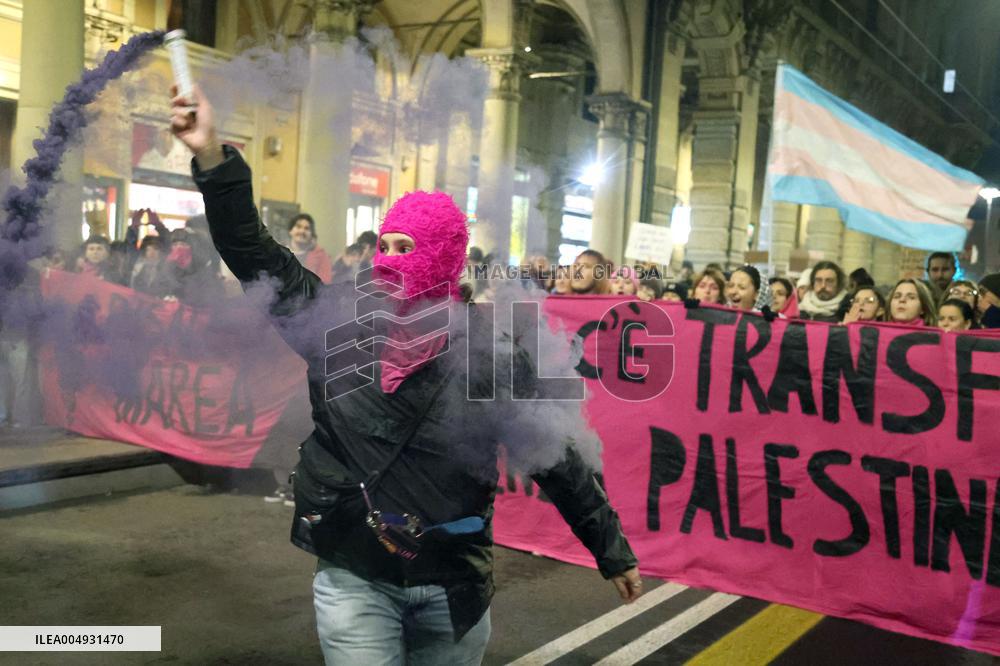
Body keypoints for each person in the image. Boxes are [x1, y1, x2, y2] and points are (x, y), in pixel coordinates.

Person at [171, 84, 640, 664]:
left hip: (454, 584)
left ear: (443, 257)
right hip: (355, 573)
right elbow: (253, 252)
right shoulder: (333, 322)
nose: (390, 259)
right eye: (385, 244)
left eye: (407, 246)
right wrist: (213, 155)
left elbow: (555, 458)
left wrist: (611, 550)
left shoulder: (489, 353)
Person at [288, 213, 333, 283]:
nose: (302, 231)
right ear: (290, 231)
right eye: (298, 226)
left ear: (311, 234)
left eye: (307, 228)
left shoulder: (321, 256)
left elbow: (325, 284)